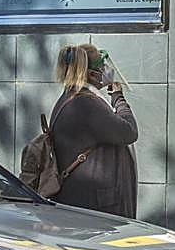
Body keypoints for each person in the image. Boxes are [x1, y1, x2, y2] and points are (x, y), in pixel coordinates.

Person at [49, 44, 138, 218]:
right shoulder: (86, 104)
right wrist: (118, 98)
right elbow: (129, 131)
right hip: (96, 208)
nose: (107, 70)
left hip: (85, 202)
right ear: (92, 74)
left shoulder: (70, 98)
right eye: (102, 67)